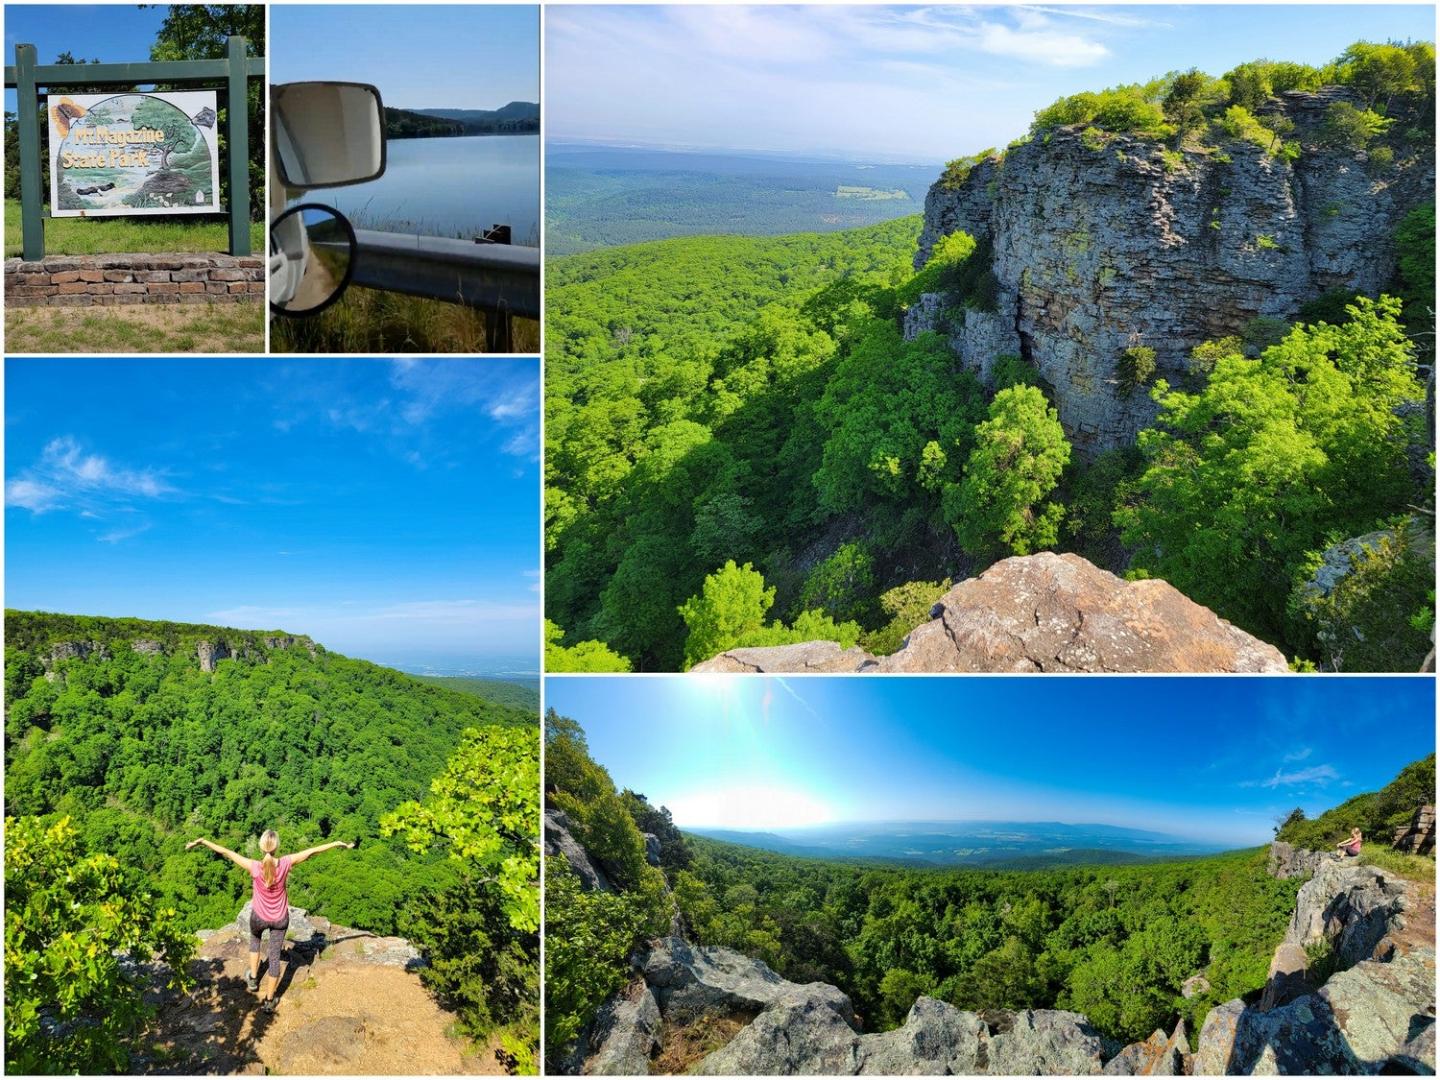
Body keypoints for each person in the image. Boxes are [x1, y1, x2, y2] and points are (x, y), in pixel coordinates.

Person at [187, 831, 354, 1012]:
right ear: (277, 847)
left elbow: (226, 852)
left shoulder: (254, 866)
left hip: (258, 917)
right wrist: (337, 843)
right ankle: (269, 1002)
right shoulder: (286, 863)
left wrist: (202, 841)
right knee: (274, 957)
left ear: (261, 846)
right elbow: (312, 851)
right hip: (280, 919)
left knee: (255, 942)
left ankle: (253, 979)